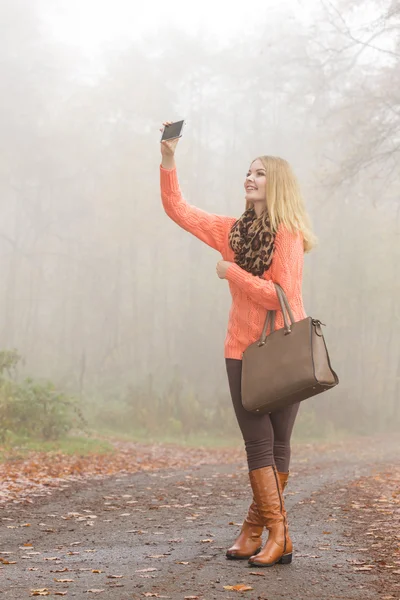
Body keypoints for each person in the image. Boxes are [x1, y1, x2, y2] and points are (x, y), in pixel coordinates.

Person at [159, 122, 316, 568]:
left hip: (286, 349)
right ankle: (275, 534)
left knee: (278, 443)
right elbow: (177, 208)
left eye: (260, 173)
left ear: (277, 184)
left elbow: (277, 294)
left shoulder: (288, 235)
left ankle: (260, 532)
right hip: (242, 351)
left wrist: (232, 273)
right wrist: (168, 158)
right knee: (259, 443)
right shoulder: (230, 231)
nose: (250, 178)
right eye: (248, 172)